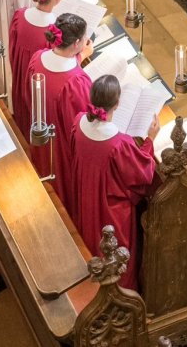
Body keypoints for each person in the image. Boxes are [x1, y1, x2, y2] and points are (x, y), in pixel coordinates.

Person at [69, 74, 158, 293]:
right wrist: (150, 140)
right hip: (112, 212)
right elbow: (141, 173)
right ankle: (121, 295)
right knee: (116, 255)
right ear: (117, 104)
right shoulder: (119, 144)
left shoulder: (79, 123)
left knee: (91, 242)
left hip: (86, 197)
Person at [23, 12, 92, 204]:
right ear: (77, 42)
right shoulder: (77, 82)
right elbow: (82, 123)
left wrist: (80, 57)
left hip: (40, 134)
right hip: (61, 147)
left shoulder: (38, 58)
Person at [8, 0, 65, 136]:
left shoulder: (20, 15)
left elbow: (12, 49)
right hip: (39, 87)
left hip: (20, 77)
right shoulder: (54, 31)